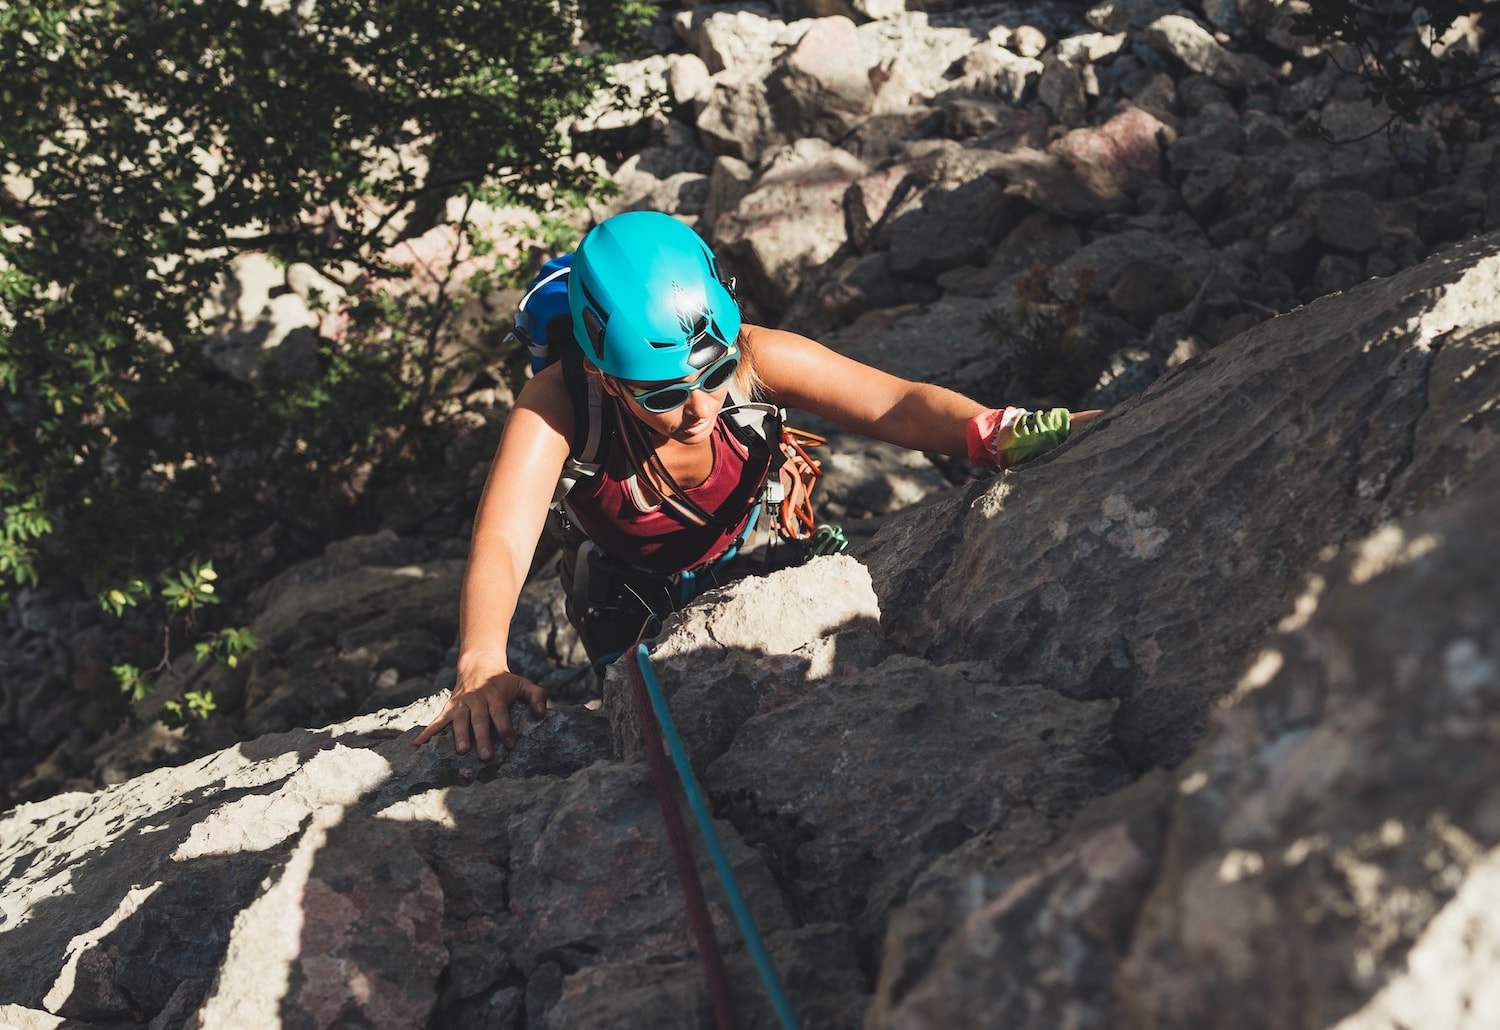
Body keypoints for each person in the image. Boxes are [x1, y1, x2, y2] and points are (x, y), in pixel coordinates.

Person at [414, 210, 1101, 761]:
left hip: (756, 538)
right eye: (662, 393)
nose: (699, 408)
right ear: (605, 376)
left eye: (714, 374)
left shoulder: (755, 353)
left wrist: (1000, 433)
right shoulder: (559, 405)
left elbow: (896, 405)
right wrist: (482, 662)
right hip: (624, 592)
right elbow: (504, 539)